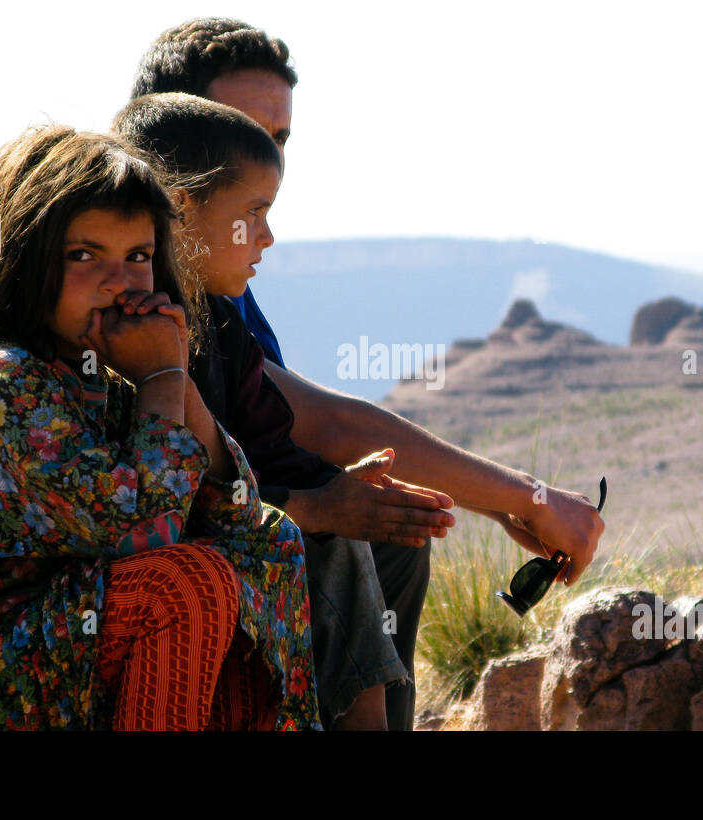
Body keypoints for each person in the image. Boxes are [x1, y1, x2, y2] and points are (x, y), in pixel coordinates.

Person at [131, 19, 606, 730]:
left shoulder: (221, 293)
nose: (267, 157)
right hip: (175, 546)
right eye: (239, 130)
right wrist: (526, 498)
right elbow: (325, 427)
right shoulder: (147, 292)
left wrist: (493, 500)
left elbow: (289, 431)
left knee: (390, 527)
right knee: (343, 537)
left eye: (280, 139)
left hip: (241, 512)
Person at [0, 124, 320, 731]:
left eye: (139, 258)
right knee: (183, 585)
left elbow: (239, 516)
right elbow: (142, 537)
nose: (119, 283)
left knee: (272, 547)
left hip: (50, 657)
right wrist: (159, 379)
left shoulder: (103, 375)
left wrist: (176, 378)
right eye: (83, 256)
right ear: (24, 264)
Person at [112, 92, 454, 729]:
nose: (267, 237)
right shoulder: (139, 327)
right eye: (253, 214)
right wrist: (321, 507)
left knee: (378, 532)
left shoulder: (217, 322)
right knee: (330, 543)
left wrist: (343, 492)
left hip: (229, 515)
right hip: (165, 549)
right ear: (182, 208)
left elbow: (264, 444)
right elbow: (177, 491)